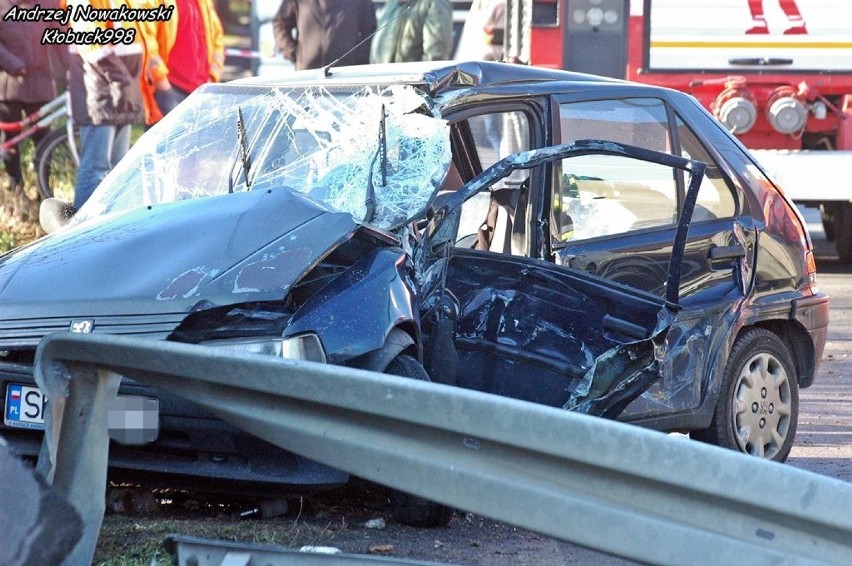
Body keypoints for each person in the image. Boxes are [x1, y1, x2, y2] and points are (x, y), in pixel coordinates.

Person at [65, 0, 145, 209]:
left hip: (117, 90)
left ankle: (112, 234)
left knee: (119, 171)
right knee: (96, 170)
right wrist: (123, 81)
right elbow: (91, 43)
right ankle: (81, 235)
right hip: (101, 91)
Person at [0, 0, 65, 215]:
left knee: (44, 141)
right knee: (11, 143)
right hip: (9, 87)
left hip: (41, 85)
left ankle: (44, 193)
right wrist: (12, 63)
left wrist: (73, 69)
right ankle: (16, 192)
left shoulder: (49, 4)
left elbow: (61, 39)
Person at [138, 0, 225, 126]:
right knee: (169, 145)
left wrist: (212, 76)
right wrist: (163, 85)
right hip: (169, 92)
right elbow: (146, 41)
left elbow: (217, 37)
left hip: (203, 92)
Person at [273, 0, 377, 71]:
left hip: (346, 76)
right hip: (306, 75)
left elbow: (370, 30)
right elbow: (280, 23)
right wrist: (293, 53)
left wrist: (359, 59)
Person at [370, 0, 454, 64]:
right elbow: (377, 49)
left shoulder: (435, 3)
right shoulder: (391, 3)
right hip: (384, 80)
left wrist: (422, 84)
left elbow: (436, 54)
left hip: (411, 81)